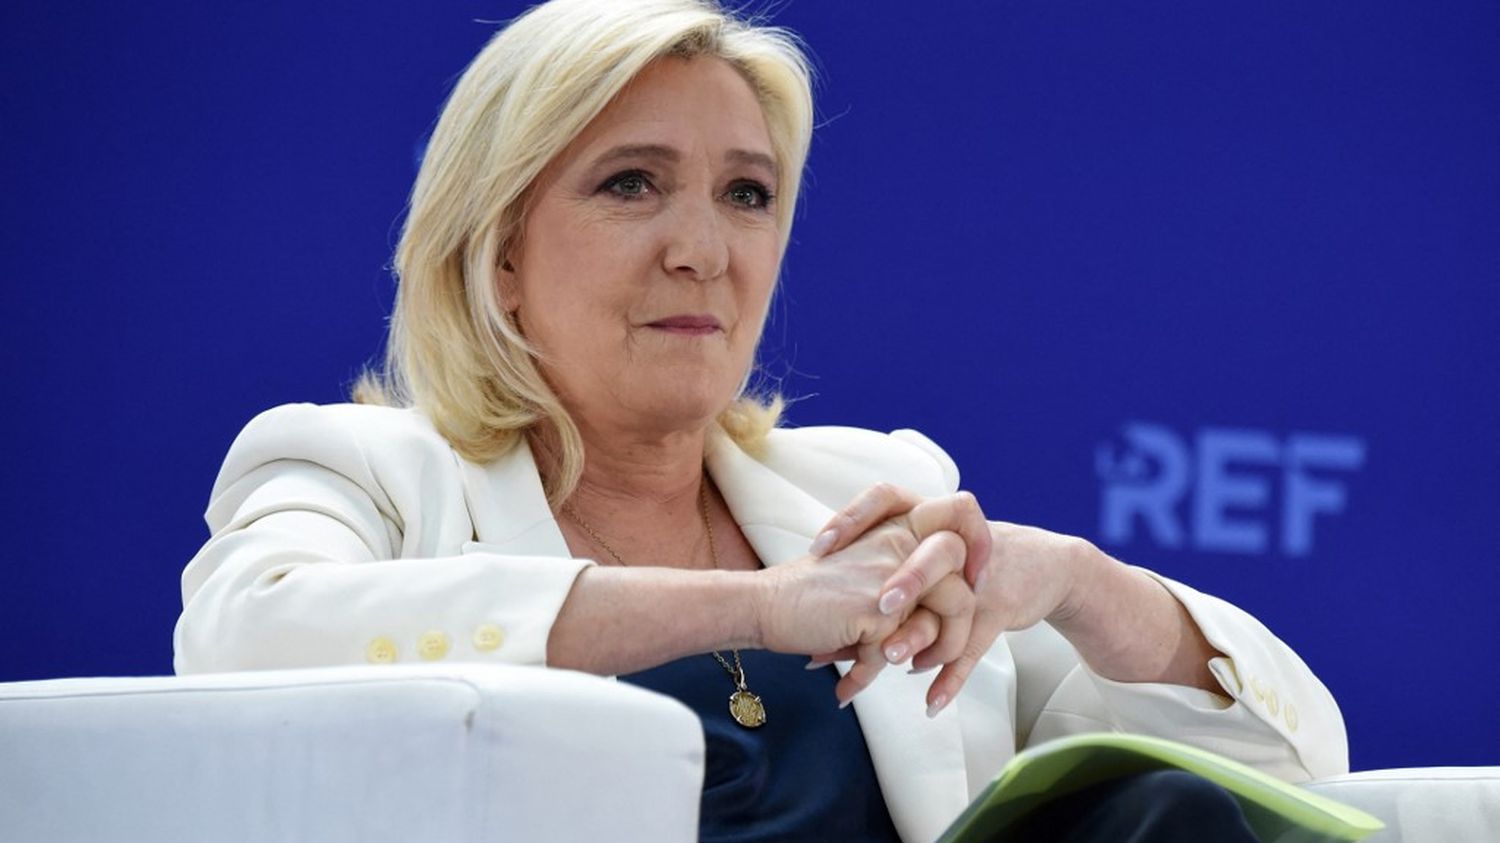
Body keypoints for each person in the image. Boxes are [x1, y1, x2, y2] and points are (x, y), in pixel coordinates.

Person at [174, 1, 1348, 839]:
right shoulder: (364, 473)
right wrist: (758, 607)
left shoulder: (872, 496)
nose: (702, 249)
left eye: (747, 195)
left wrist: (1078, 583)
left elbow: (1289, 769)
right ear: (500, 254)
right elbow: (241, 649)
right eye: (631, 183)